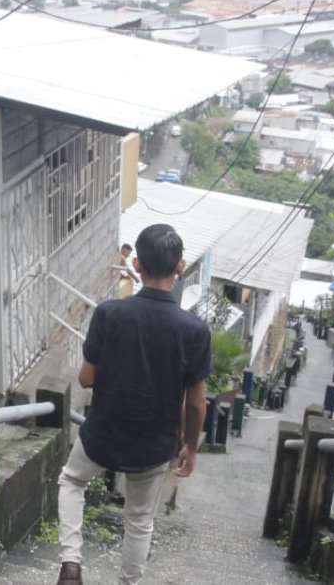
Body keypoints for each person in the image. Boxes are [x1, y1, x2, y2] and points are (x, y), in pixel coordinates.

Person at [57, 224, 211, 585]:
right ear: (180, 267)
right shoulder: (195, 331)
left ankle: (71, 564)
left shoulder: (109, 313)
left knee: (72, 481)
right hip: (153, 443)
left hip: (103, 431)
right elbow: (195, 404)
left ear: (137, 264)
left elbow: (86, 378)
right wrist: (191, 447)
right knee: (140, 520)